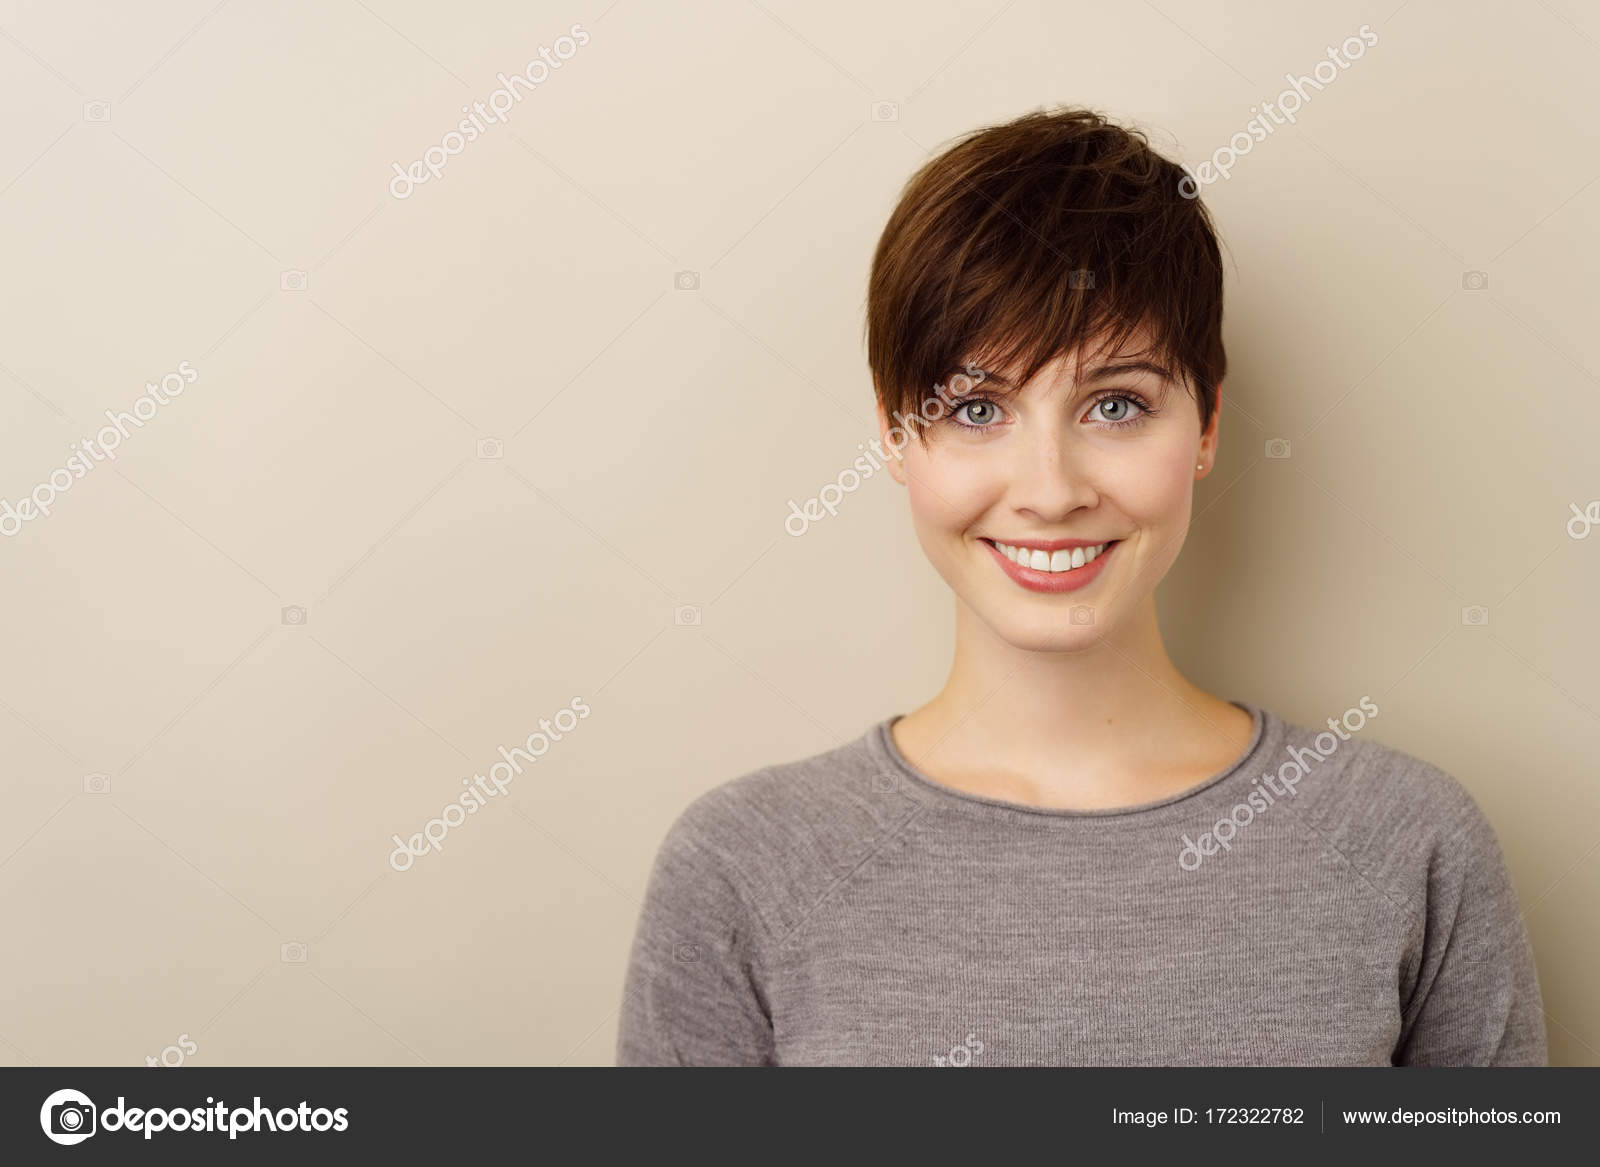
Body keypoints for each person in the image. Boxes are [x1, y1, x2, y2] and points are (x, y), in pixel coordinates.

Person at [616, 107, 1546, 1066]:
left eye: (1116, 404)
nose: (1051, 491)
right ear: (895, 433)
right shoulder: (739, 870)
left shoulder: (1408, 844)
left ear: (1207, 423)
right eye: (977, 409)